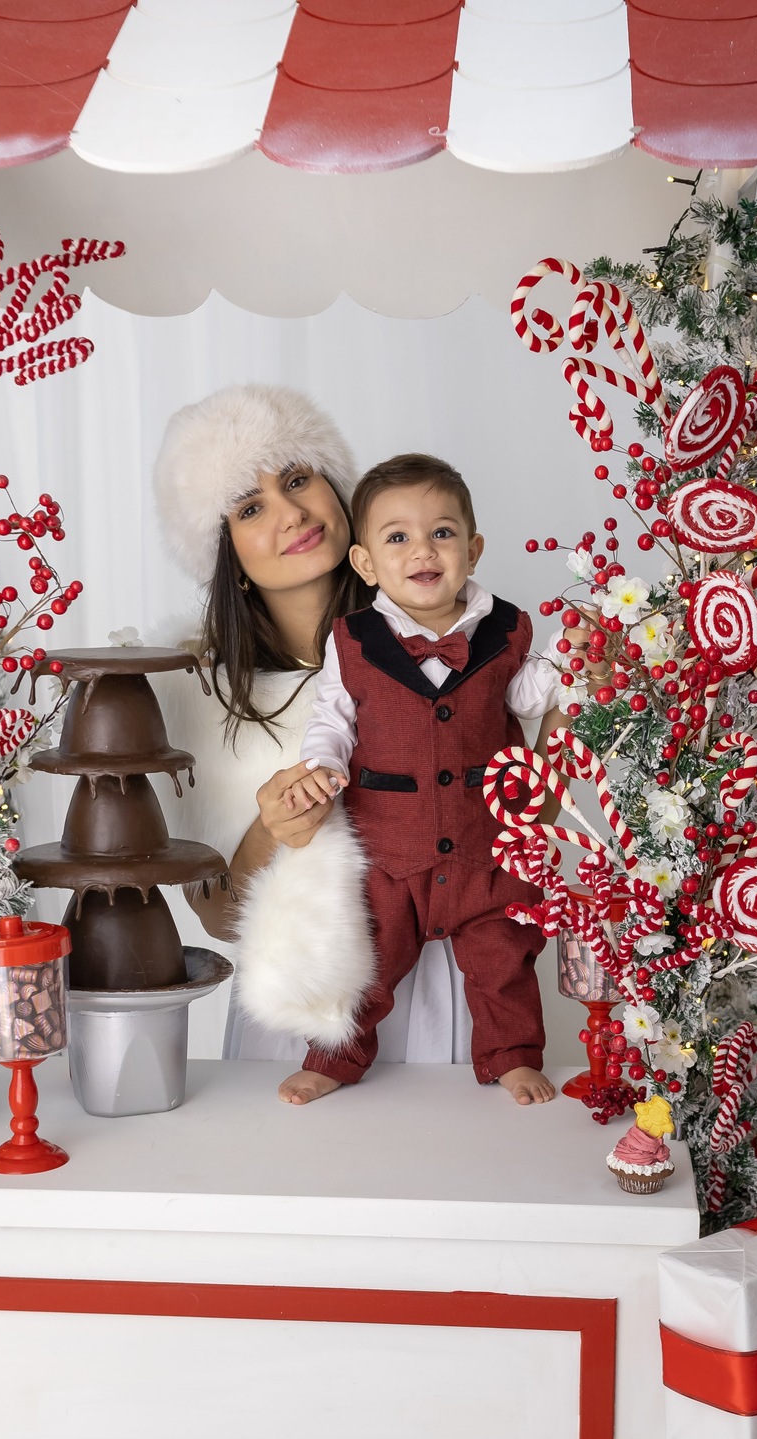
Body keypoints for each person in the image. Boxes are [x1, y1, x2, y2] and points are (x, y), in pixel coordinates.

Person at [151, 386, 471, 1099]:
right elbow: (219, 914)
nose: (291, 512)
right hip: (300, 996)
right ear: (224, 551)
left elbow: (521, 818)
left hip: (442, 980)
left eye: (297, 479)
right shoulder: (203, 696)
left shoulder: (449, 645)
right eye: (251, 506)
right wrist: (277, 827)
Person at [283, 452, 570, 1107]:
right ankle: (334, 1057)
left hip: (487, 842)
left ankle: (513, 1057)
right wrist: (323, 766)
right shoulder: (353, 640)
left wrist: (563, 660)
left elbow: (526, 699)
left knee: (504, 957)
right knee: (366, 961)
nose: (423, 550)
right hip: (391, 846)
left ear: (471, 549)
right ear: (365, 562)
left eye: (442, 533)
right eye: (398, 537)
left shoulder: (508, 628)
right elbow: (333, 714)